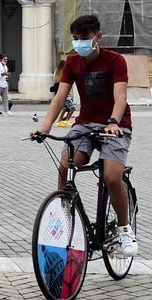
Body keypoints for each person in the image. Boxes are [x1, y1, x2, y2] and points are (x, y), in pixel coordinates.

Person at [31, 14, 137, 257]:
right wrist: (46, 127)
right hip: (85, 124)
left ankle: (124, 229)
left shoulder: (115, 60)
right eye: (75, 39)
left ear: (98, 37)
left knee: (111, 176)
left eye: (84, 38)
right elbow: (60, 97)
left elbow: (120, 96)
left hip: (116, 125)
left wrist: (113, 122)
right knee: (66, 165)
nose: (79, 43)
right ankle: (67, 222)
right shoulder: (72, 62)